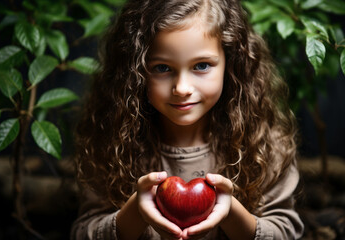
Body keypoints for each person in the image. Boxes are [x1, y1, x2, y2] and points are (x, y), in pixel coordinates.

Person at [71, 0, 304, 239]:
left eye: (201, 65)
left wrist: (231, 212)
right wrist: (136, 212)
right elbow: (82, 234)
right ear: (136, 71)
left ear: (231, 62)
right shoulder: (111, 144)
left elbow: (285, 232)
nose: (182, 88)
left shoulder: (265, 146)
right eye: (162, 68)